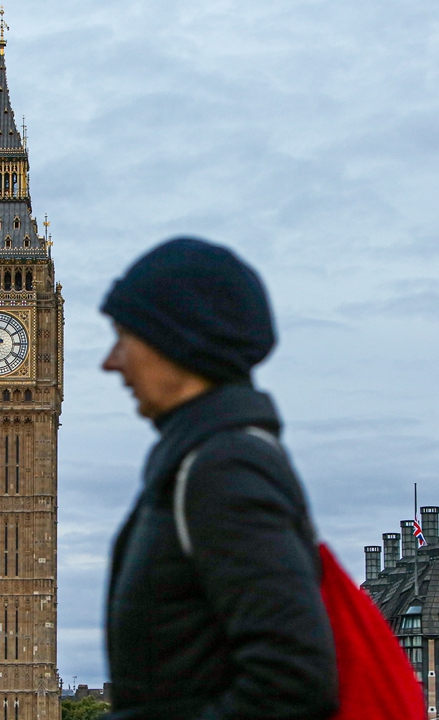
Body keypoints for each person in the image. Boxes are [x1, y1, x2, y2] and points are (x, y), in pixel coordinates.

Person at [99, 237, 339, 719]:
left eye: (125, 336)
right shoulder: (199, 458)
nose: (111, 361)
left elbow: (293, 682)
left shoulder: (222, 468)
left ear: (178, 342)